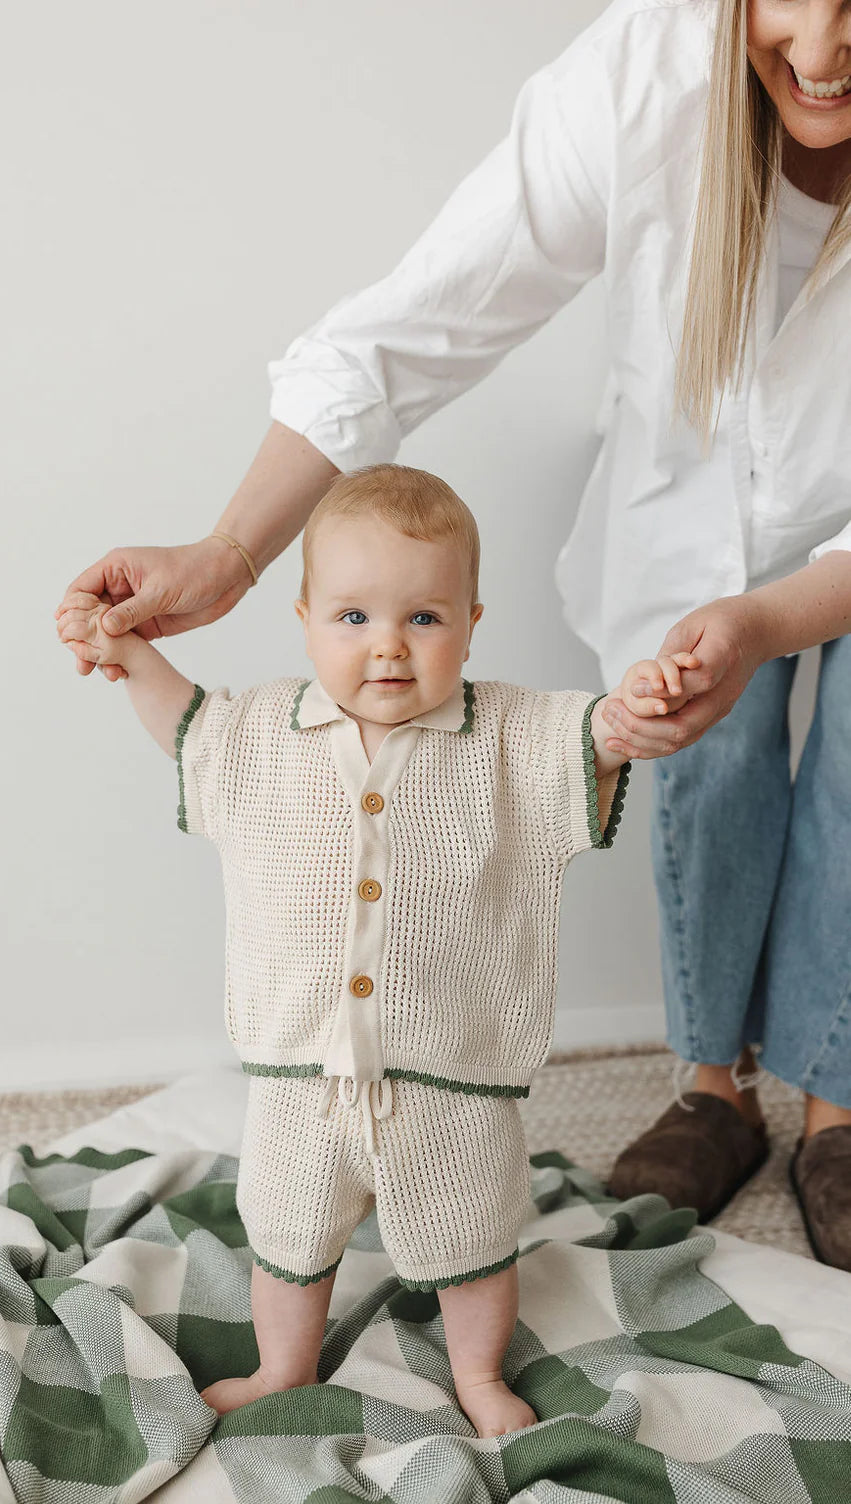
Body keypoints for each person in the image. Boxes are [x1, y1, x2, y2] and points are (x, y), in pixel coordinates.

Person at [58, 0, 851, 1266]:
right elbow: (420, 320)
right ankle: (713, 1085)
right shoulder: (643, 75)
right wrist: (229, 551)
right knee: (709, 759)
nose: (815, 56)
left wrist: (767, 616)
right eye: (789, 4)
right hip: (690, 514)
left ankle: (836, 1100)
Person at [56, 463, 697, 1436]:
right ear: (306, 618)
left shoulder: (505, 734)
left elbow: (594, 735)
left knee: (473, 1239)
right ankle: (283, 1366)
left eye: (423, 618)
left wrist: (634, 706)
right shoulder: (266, 731)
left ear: (470, 623)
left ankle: (476, 1374)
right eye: (353, 617)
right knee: (286, 1236)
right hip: (301, 1073)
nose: (388, 645)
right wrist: (125, 648)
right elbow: (188, 730)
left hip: (449, 1071)